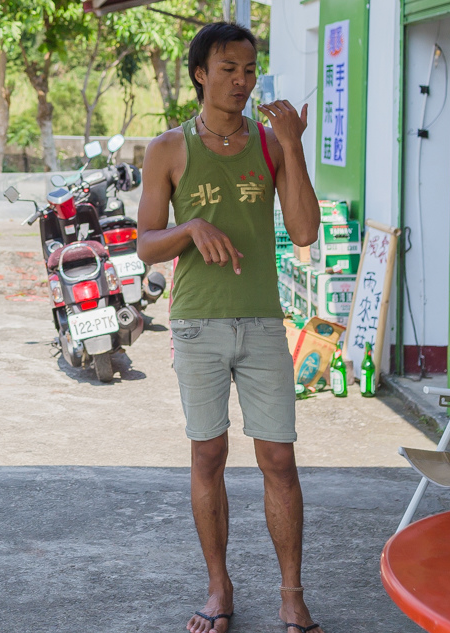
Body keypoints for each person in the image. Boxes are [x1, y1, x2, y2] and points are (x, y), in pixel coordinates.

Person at [136, 21, 323, 633]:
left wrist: (292, 144)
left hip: (263, 323)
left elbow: (303, 231)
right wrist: (191, 229)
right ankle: (219, 589)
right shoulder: (168, 148)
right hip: (197, 327)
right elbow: (145, 245)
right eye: (228, 69)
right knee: (208, 455)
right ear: (200, 74)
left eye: (249, 70)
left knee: (278, 460)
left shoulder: (270, 144)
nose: (242, 81)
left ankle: (292, 595)